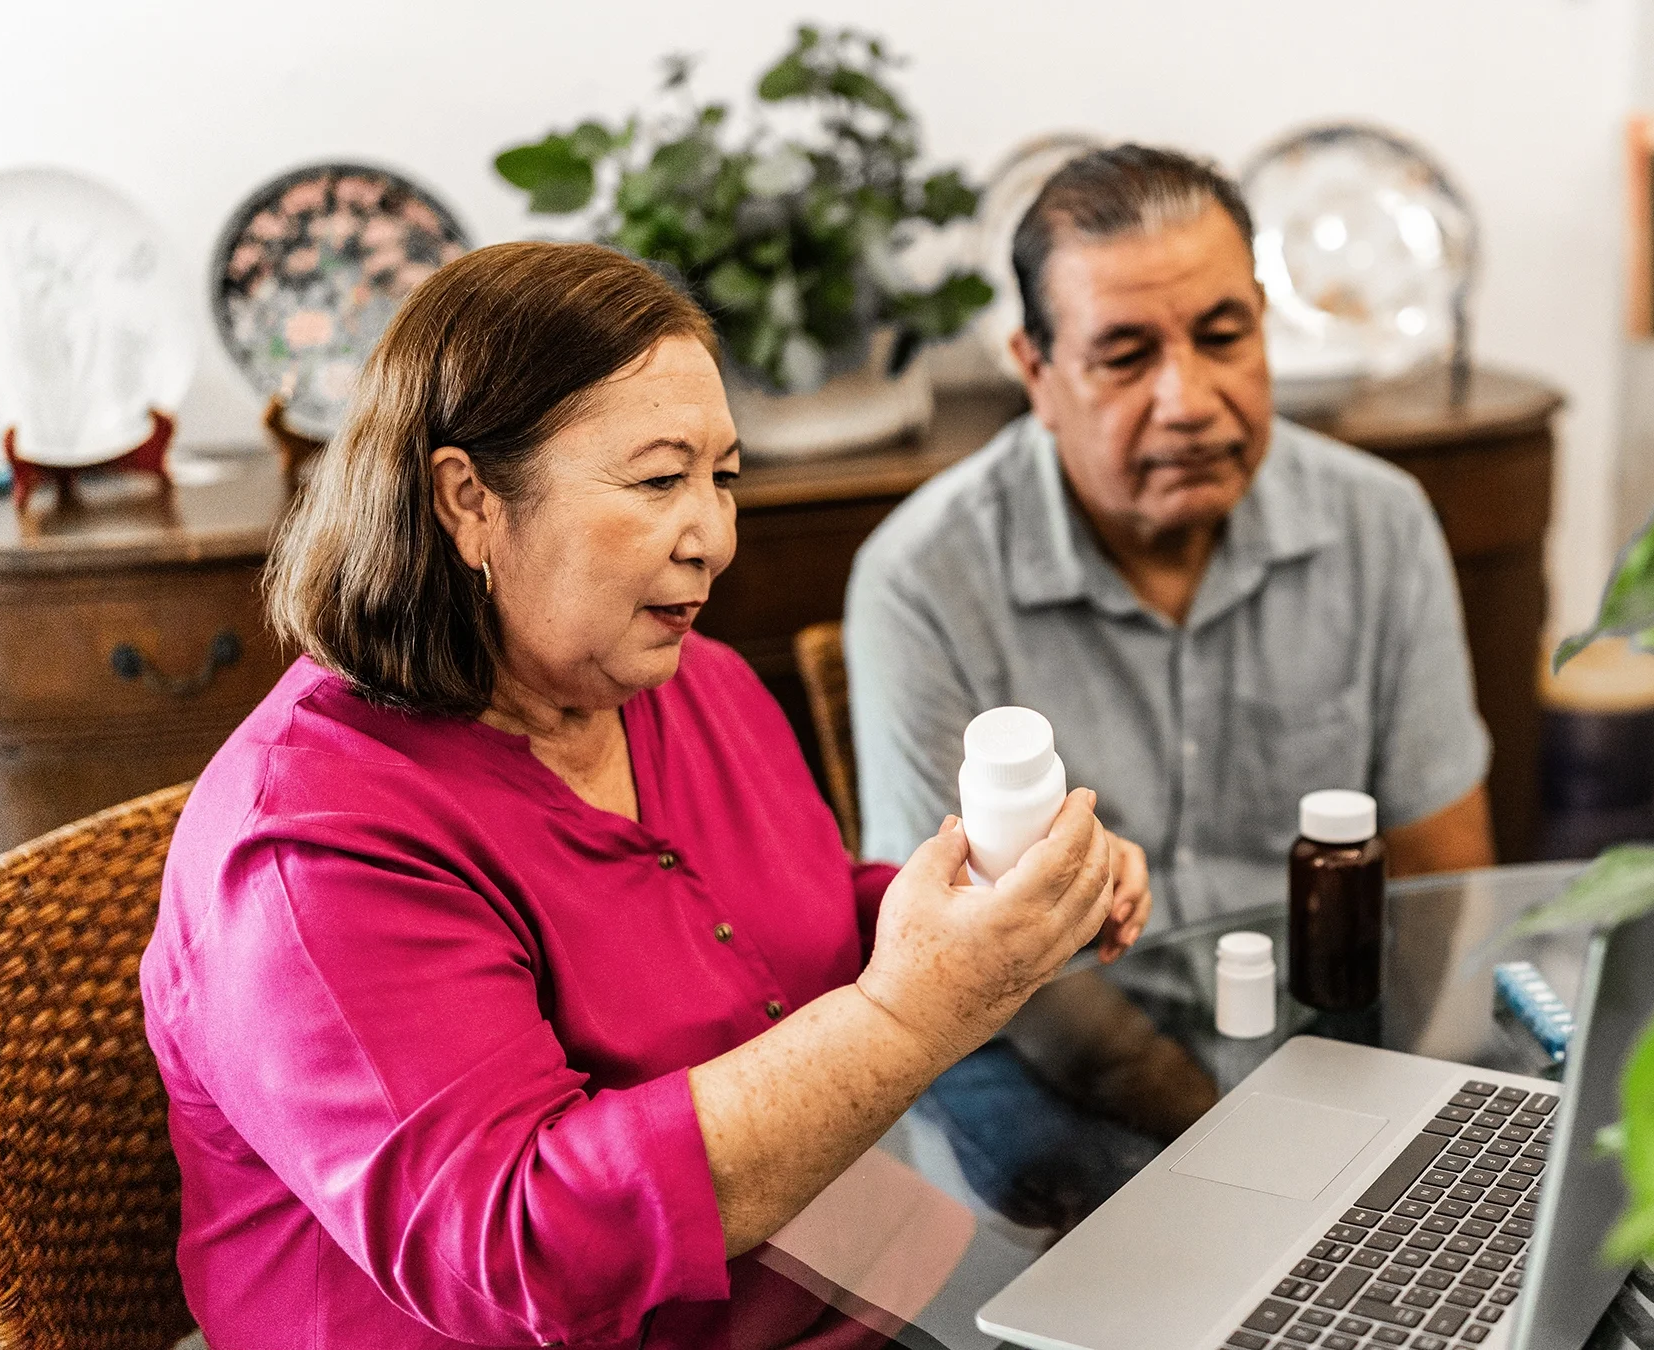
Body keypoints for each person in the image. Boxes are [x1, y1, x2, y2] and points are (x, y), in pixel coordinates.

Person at [138, 241, 1148, 1349]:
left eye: (723, 477)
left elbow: (780, 927)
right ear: (469, 499)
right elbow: (524, 1250)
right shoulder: (311, 848)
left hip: (845, 1289)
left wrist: (988, 908)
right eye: (660, 480)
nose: (712, 537)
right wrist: (918, 1003)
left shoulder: (682, 680)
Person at [846, 145, 1494, 923]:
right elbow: (947, 939)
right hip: (1043, 1024)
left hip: (1318, 1007)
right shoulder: (922, 580)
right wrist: (1159, 1057)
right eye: (1125, 356)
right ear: (1037, 376)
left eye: (1224, 339)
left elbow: (1443, 887)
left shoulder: (1381, 526)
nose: (1187, 401)